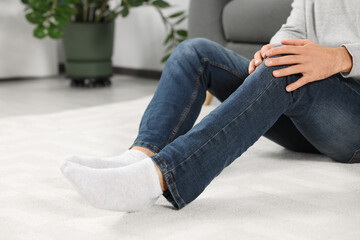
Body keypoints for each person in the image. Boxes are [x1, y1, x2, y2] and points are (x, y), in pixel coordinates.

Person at [61, 0, 360, 212]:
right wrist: (275, 50)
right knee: (194, 52)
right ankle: (138, 158)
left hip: (352, 119)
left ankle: (158, 177)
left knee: (285, 72)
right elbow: (295, 27)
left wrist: (341, 57)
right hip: (307, 111)